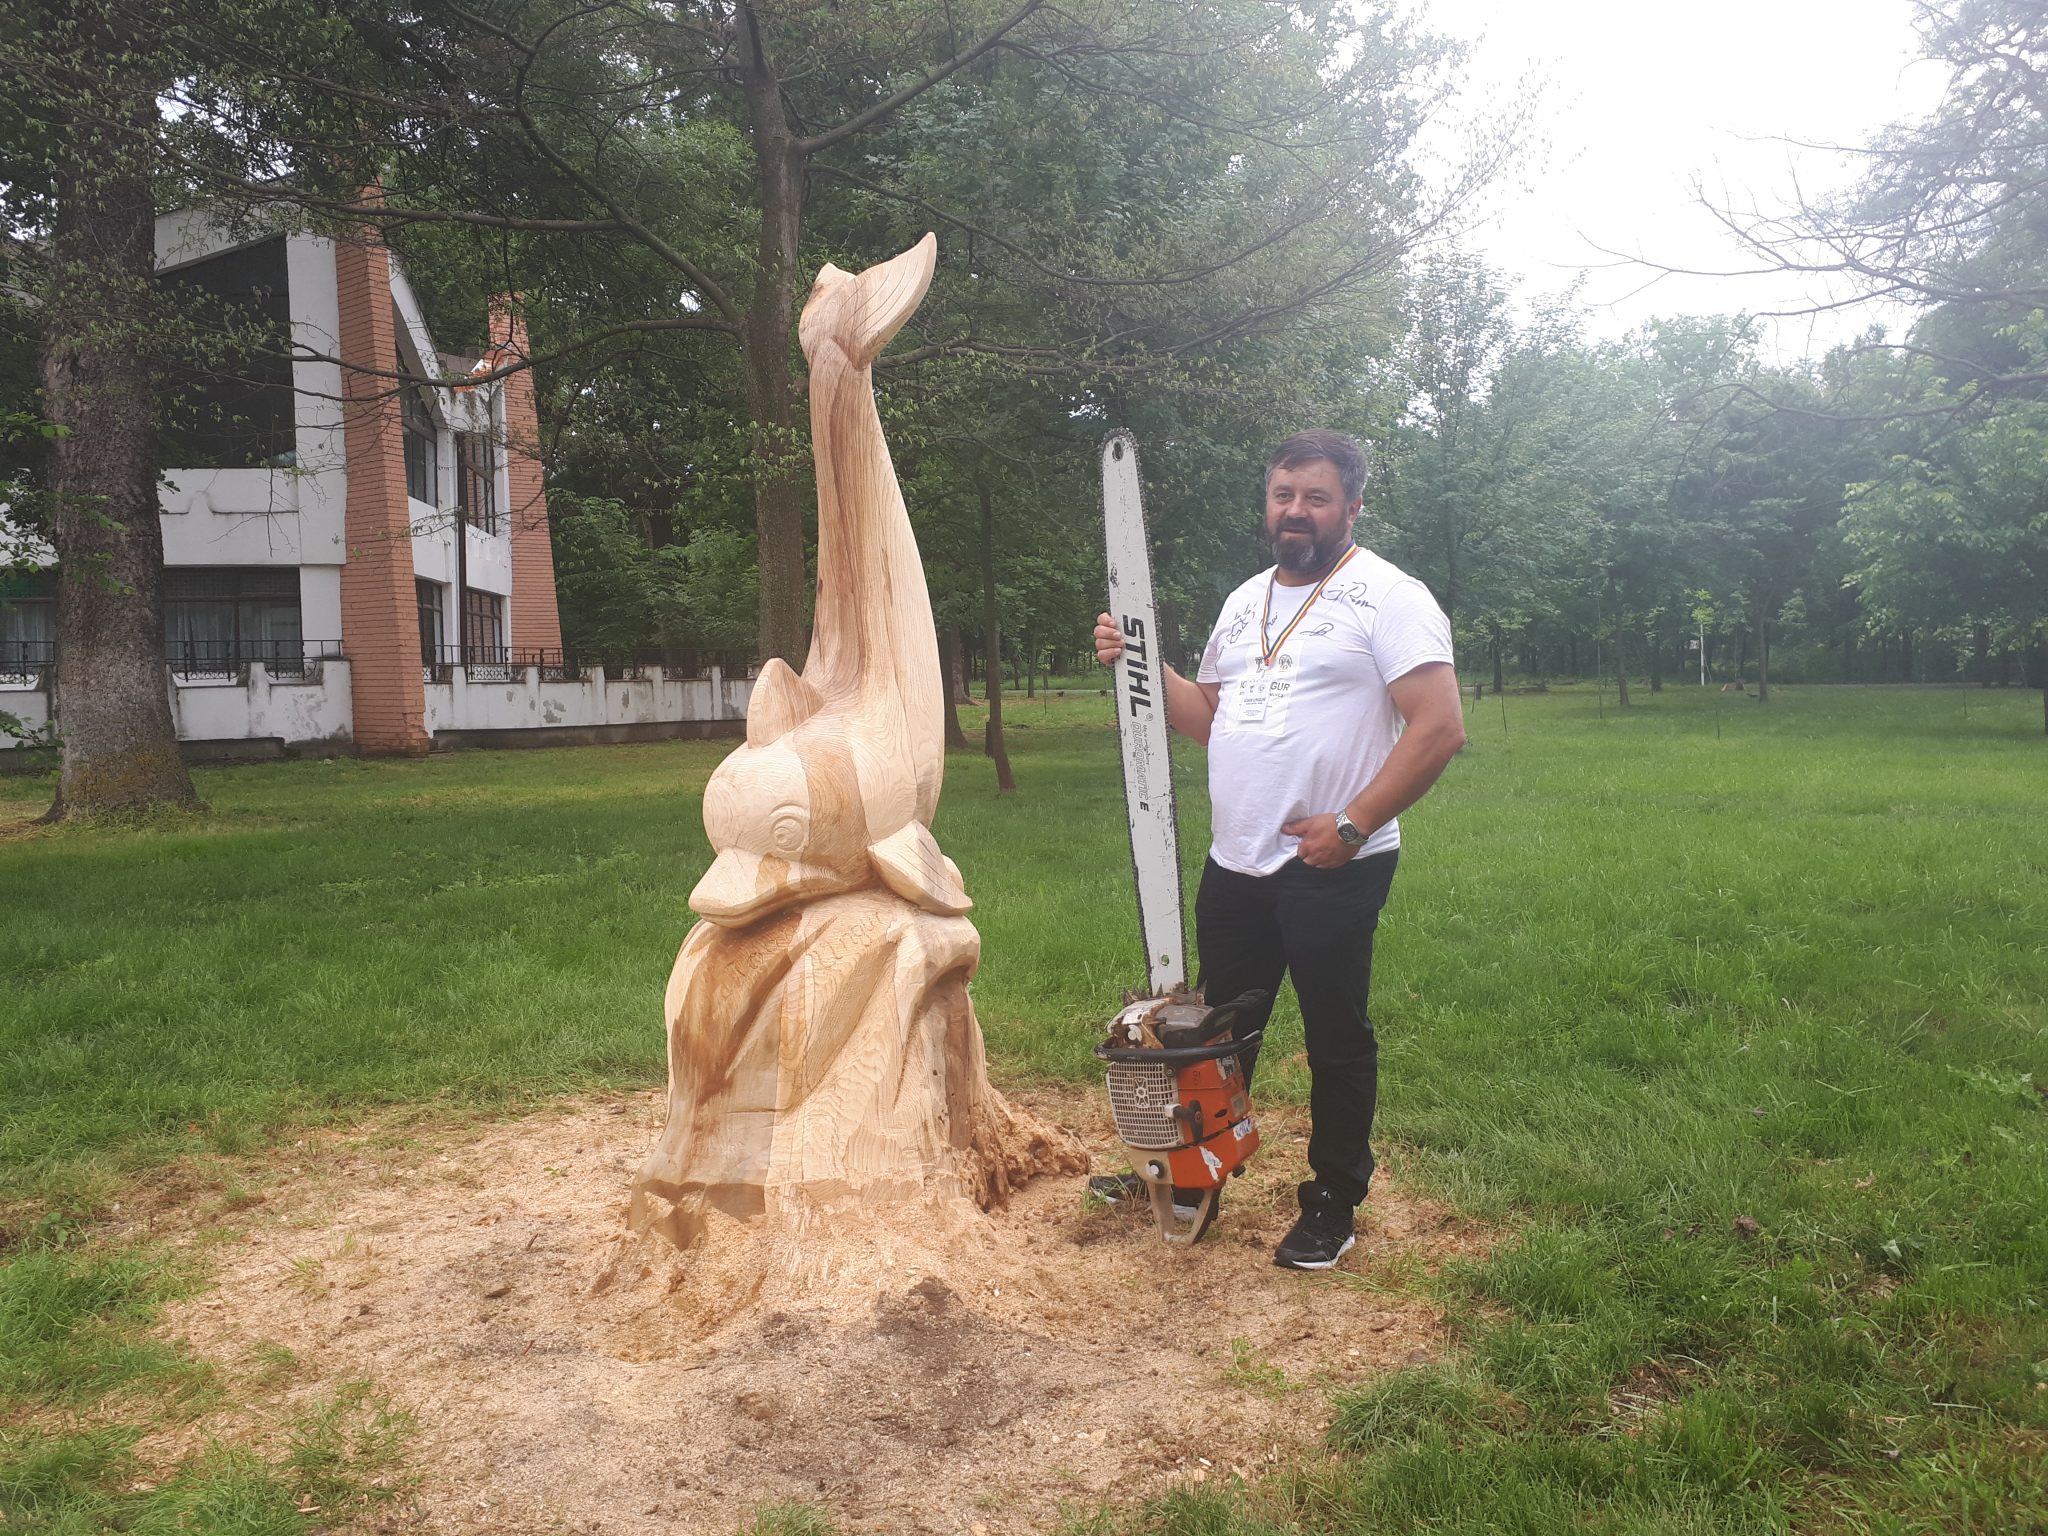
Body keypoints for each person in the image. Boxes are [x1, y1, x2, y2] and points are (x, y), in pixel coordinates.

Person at [1093, 429, 1466, 1269]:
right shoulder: (1243, 601)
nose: (1296, 511)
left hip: (1334, 864)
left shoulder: (1390, 596)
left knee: (1336, 1038)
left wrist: (1353, 824)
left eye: (1316, 498)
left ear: (1351, 507)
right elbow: (1207, 717)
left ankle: (1333, 1201)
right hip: (1237, 863)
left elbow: (1440, 727)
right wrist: (1138, 662)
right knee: (1215, 1035)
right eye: (1283, 495)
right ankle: (1194, 1172)